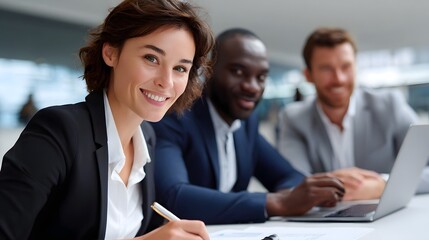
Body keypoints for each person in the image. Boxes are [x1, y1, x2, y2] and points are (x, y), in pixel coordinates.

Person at [0, 0, 214, 239]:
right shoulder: (59, 130)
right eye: (152, 58)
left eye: (180, 69)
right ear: (110, 53)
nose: (167, 82)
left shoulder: (147, 138)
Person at [151, 28, 345, 225]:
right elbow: (173, 197)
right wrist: (276, 202)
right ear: (208, 70)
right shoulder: (175, 116)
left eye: (261, 77)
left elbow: (288, 175)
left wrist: (299, 195)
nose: (252, 86)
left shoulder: (245, 123)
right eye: (238, 72)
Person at [276, 27, 421, 200]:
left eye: (346, 66)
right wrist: (334, 183)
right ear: (308, 75)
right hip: (324, 221)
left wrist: (383, 185)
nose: (339, 78)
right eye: (326, 69)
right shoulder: (293, 119)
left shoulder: (390, 106)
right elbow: (293, 183)